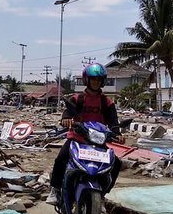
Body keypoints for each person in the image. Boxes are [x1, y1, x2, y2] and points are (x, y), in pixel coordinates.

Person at [46, 63, 124, 205]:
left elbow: (113, 122)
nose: (95, 82)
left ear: (102, 81)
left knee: (116, 163)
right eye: (93, 79)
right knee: (61, 158)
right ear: (86, 80)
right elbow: (68, 111)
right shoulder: (77, 98)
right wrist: (66, 119)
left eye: (98, 79)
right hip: (77, 138)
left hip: (98, 142)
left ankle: (102, 194)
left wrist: (117, 133)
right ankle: (55, 190)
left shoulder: (107, 102)